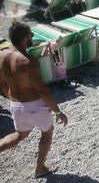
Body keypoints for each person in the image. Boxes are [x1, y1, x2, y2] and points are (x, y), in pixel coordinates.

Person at [0, 22, 69, 178]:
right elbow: (42, 91)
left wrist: (11, 99)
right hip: (34, 105)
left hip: (15, 105)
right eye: (30, 35)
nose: (32, 37)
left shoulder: (1, 56)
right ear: (24, 38)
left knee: (20, 135)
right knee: (47, 132)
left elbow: (2, 83)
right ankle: (40, 168)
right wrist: (58, 111)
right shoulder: (28, 61)